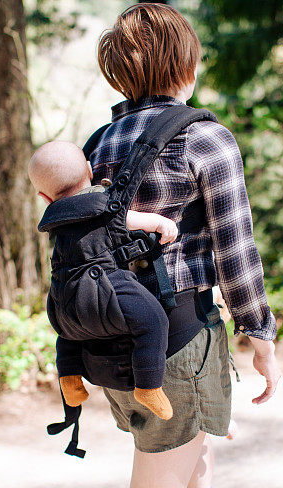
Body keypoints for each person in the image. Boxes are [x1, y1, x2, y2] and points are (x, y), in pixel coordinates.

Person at [90, 4, 282, 488]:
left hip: (112, 338)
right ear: (186, 67)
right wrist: (260, 337)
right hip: (178, 338)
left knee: (192, 474)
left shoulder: (98, 146)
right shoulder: (203, 138)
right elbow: (235, 252)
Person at [29, 140, 179, 420]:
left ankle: (70, 378)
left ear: (44, 197)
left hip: (63, 296)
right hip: (106, 287)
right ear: (89, 170)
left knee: (67, 332)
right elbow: (126, 220)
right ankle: (148, 386)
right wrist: (159, 223)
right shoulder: (101, 203)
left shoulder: (55, 220)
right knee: (153, 321)